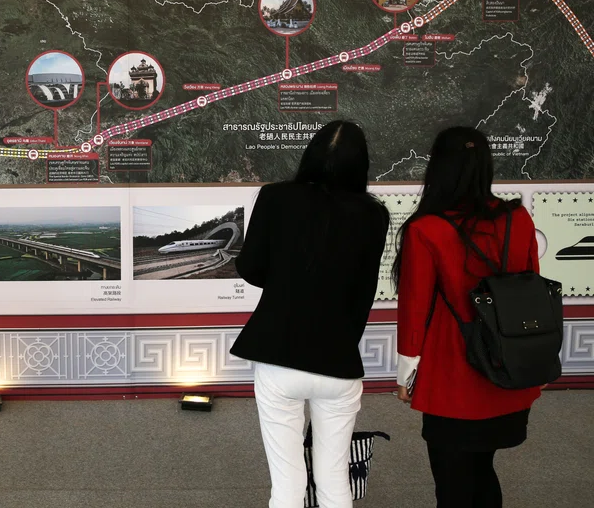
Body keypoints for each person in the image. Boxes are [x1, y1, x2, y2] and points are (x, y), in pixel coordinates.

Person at [231, 120, 390, 508]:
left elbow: (251, 269)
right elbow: (362, 295)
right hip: (338, 360)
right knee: (334, 479)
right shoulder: (374, 214)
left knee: (287, 484)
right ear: (361, 165)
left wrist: (287, 277)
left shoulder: (274, 197)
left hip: (278, 355)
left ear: (311, 154)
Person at [393, 126, 543, 508]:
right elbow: (532, 291)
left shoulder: (426, 229)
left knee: (452, 480)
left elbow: (415, 309)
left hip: (451, 374)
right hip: (507, 366)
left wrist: (406, 374)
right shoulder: (518, 218)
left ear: (438, 169)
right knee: (482, 470)